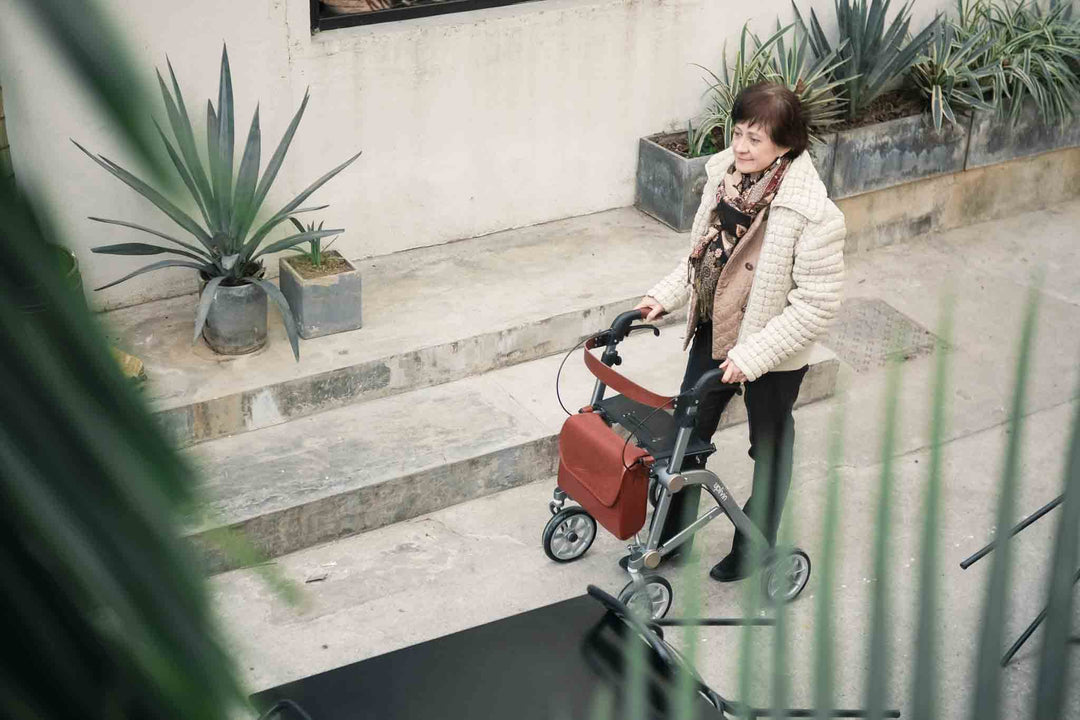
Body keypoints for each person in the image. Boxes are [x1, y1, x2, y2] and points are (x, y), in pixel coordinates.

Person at [635, 82, 845, 582]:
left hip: (773, 354)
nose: (742, 147)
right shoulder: (724, 179)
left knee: (769, 450)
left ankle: (754, 548)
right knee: (685, 437)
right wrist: (663, 295)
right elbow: (704, 257)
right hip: (717, 329)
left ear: (787, 145)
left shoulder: (814, 214)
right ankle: (672, 538)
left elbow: (816, 306)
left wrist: (755, 355)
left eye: (756, 139)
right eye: (739, 133)